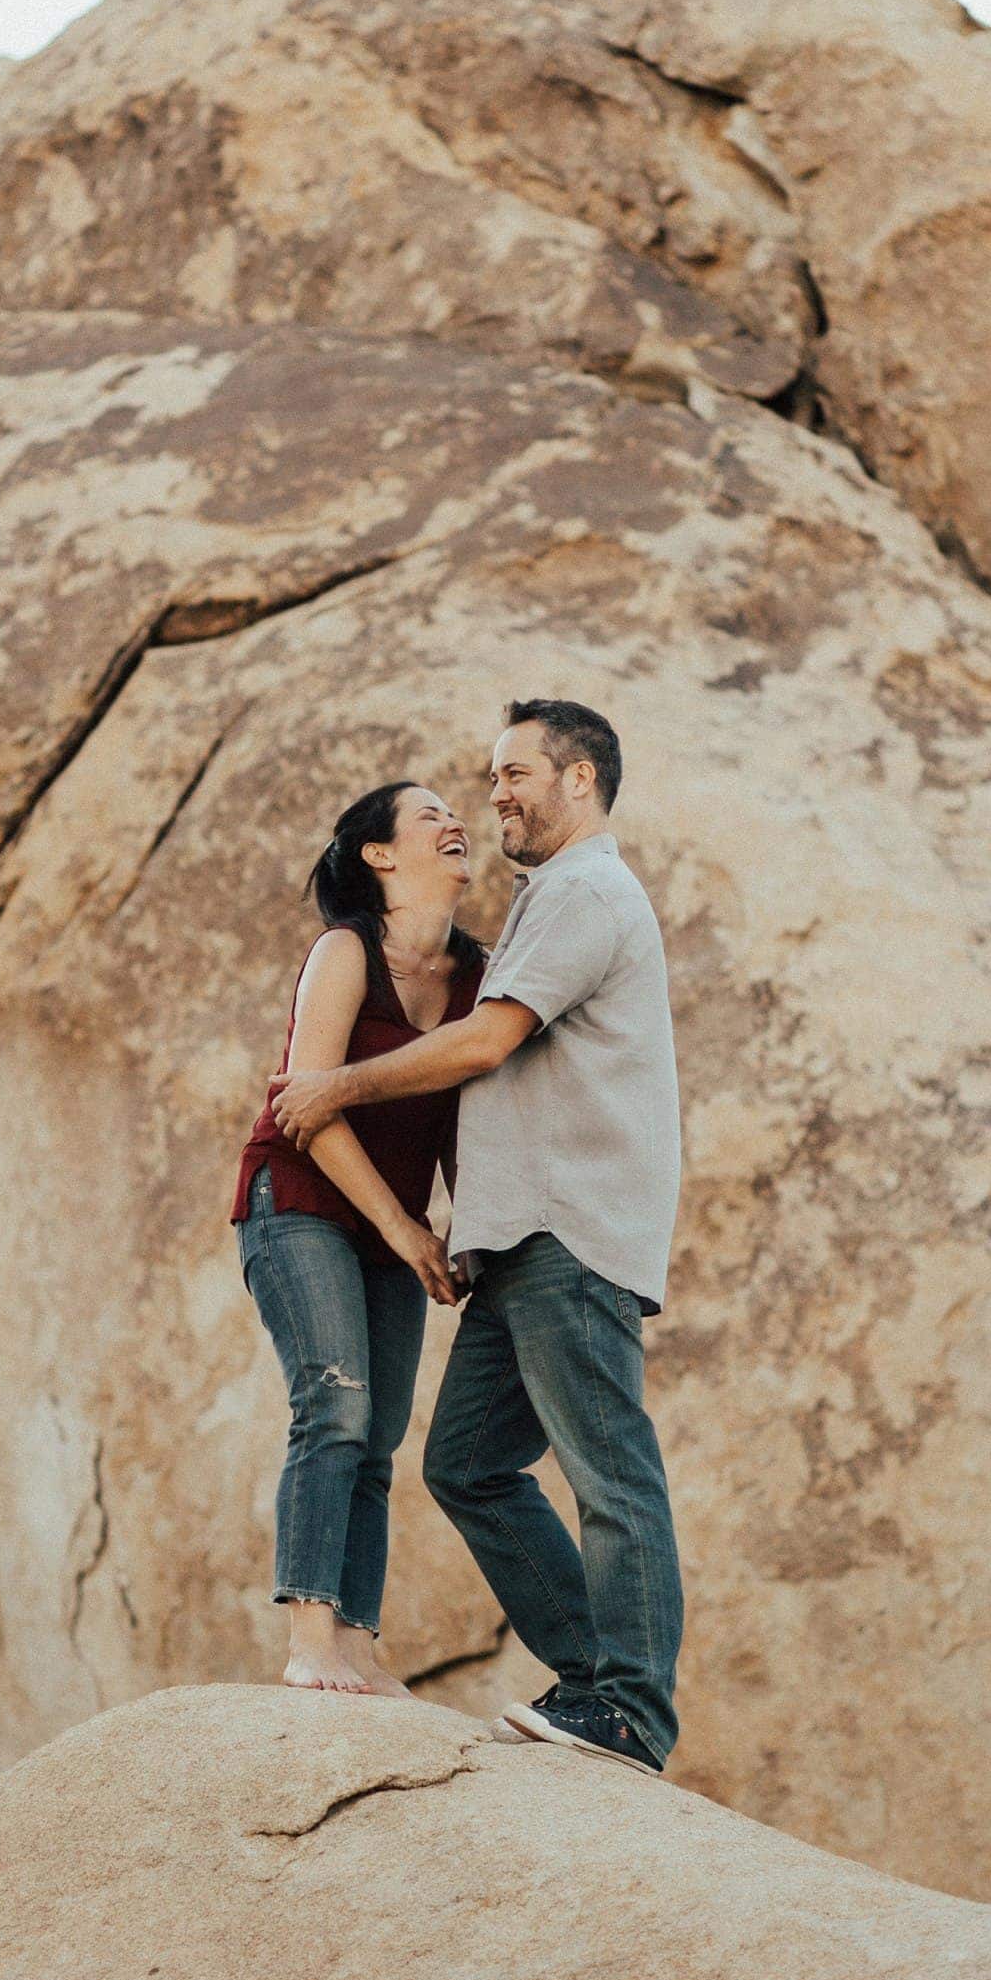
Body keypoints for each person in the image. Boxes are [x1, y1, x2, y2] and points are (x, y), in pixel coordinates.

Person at [271, 699, 684, 1771]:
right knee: (464, 1463)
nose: (495, 794)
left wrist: (334, 1088)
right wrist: (466, 1221)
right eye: (489, 777)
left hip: (569, 1228)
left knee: (609, 1469)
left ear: (580, 778)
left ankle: (630, 1706)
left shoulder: (586, 890)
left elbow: (486, 1045)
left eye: (515, 774)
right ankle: (593, 1679)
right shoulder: (544, 900)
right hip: (516, 1240)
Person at [232, 780, 485, 1697]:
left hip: (396, 1226)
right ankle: (309, 1642)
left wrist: (464, 1231)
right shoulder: (346, 952)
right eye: (429, 816)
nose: (456, 822)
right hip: (299, 1203)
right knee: (333, 1407)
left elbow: (473, 1118)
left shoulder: (478, 976)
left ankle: (359, 1644)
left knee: (378, 1435)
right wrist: (402, 1224)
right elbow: (307, 1108)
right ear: (379, 855)